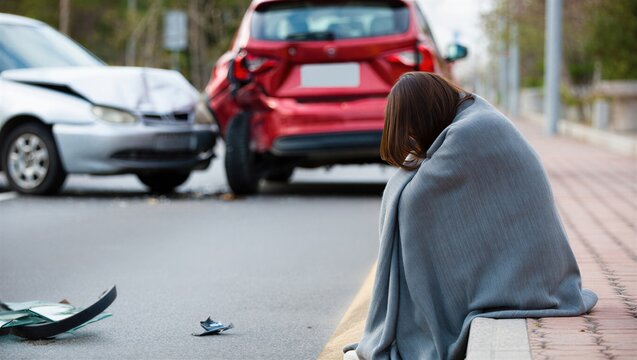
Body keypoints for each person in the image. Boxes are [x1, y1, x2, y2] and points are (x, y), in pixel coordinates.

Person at [344, 72, 597, 360]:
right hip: (543, 272)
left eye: (412, 129)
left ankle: (423, 326)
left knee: (416, 208)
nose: (414, 137)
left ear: (425, 114)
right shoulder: (472, 115)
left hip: (532, 279)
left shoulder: (472, 130)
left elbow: (416, 198)